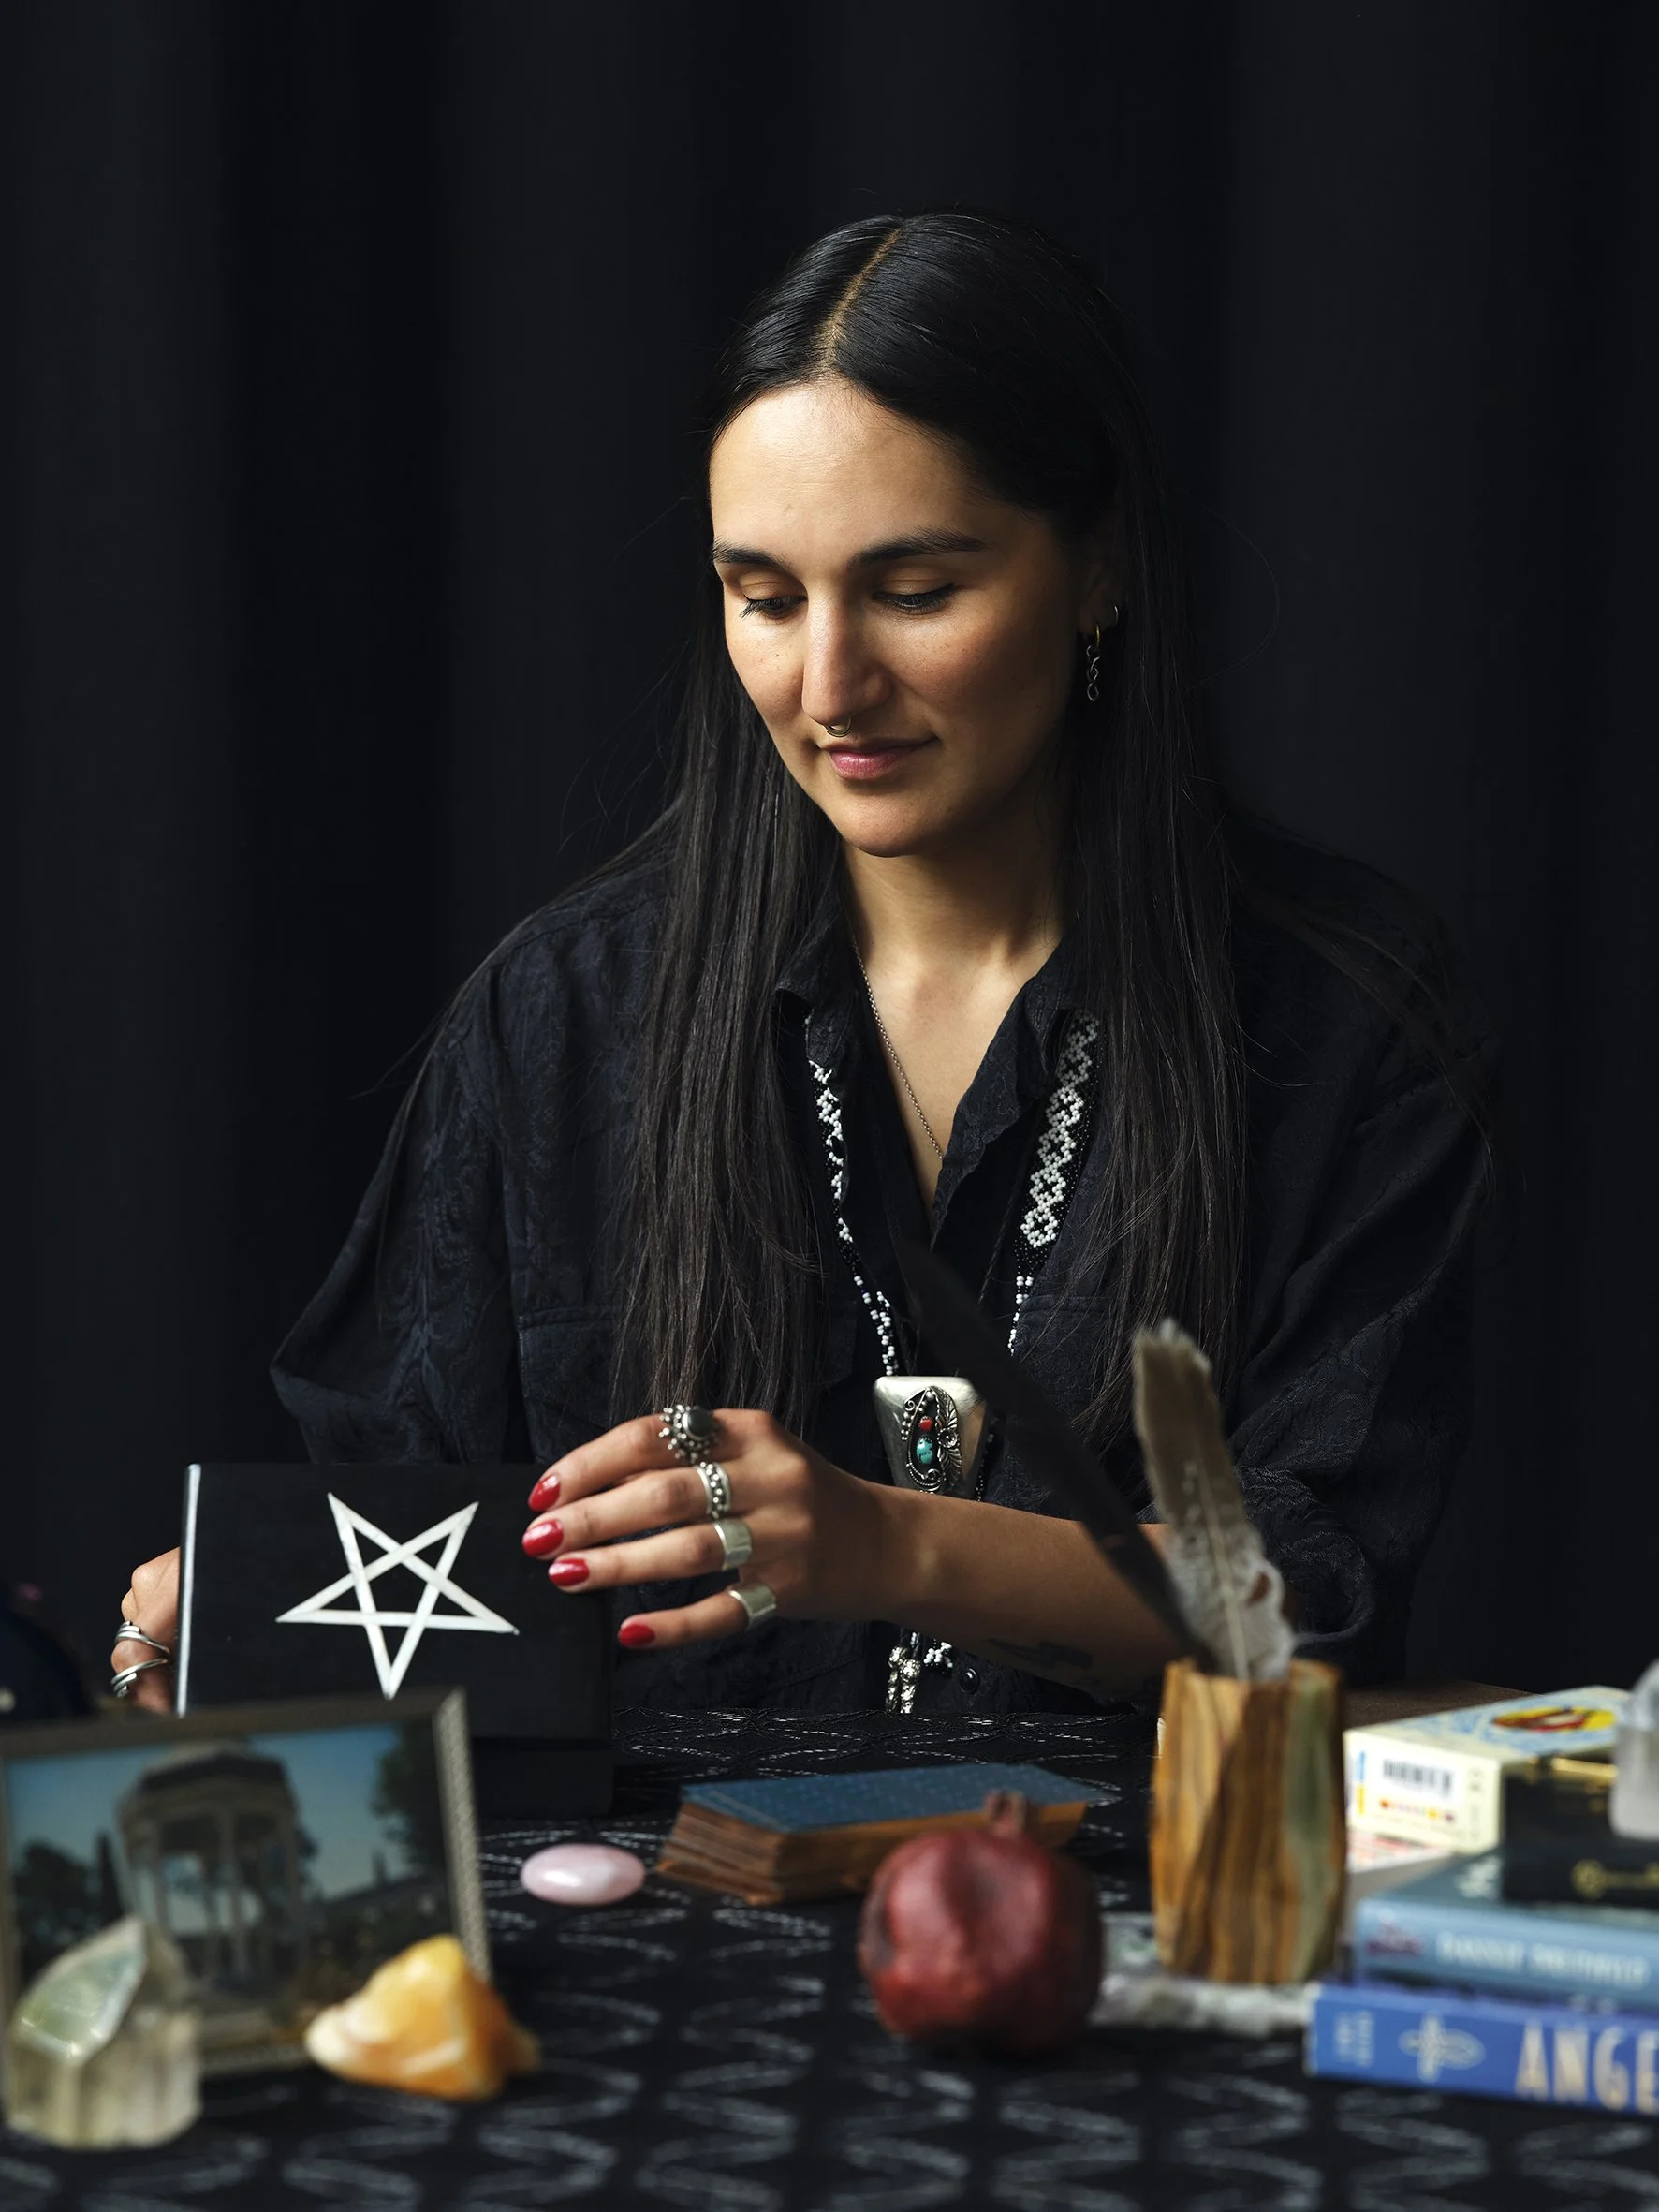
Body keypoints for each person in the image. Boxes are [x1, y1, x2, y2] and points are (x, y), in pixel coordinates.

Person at [114, 211, 1490, 1718]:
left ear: (1097, 571)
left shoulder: (1340, 1018)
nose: (828, 685)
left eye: (914, 591)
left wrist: (889, 1540)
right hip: (629, 1934)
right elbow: (390, 1550)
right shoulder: (563, 1016)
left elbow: (1313, 1603)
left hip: (1137, 1931)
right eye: (764, 598)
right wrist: (233, 1606)